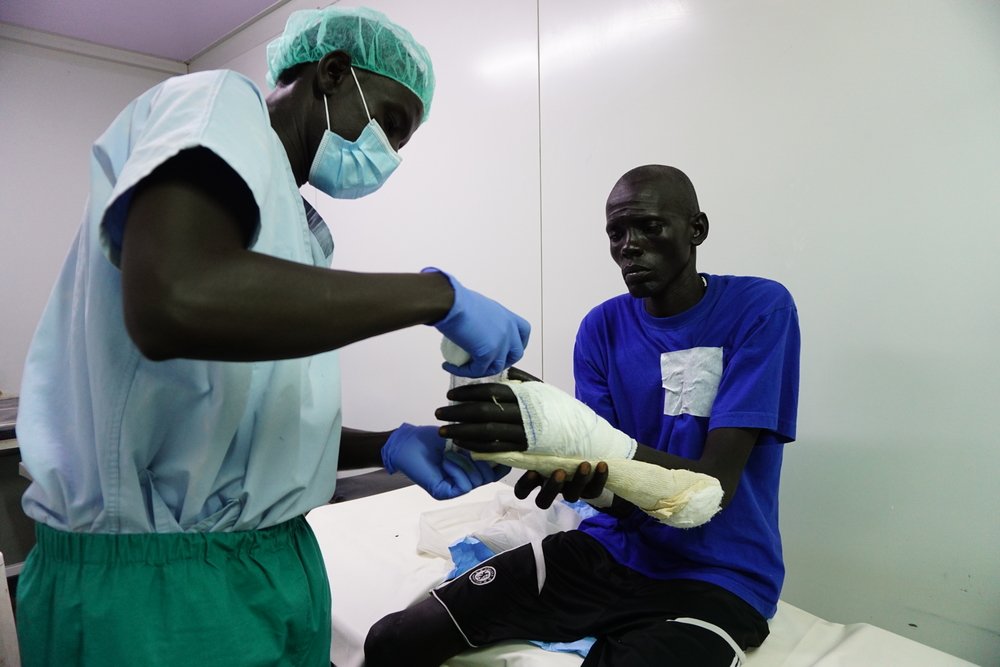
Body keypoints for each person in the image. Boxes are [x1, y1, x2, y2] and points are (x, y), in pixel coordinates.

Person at [14, 6, 527, 666]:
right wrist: (436, 296)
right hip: (158, 589)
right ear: (333, 72)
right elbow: (175, 297)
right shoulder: (215, 99)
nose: (389, 157)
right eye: (391, 124)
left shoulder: (293, 228)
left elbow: (240, 431)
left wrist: (390, 444)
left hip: (268, 566)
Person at [364, 164, 801, 667]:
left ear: (696, 229)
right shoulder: (602, 328)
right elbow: (617, 495)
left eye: (649, 227)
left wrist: (587, 445)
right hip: (610, 551)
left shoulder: (759, 309)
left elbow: (709, 490)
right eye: (616, 232)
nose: (629, 246)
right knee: (395, 639)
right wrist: (581, 478)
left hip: (720, 577)